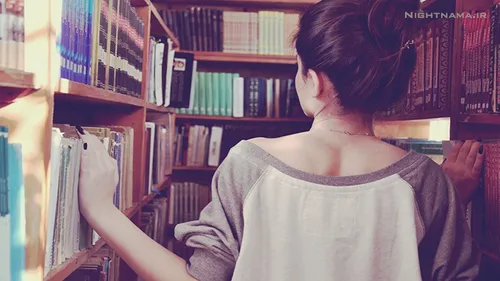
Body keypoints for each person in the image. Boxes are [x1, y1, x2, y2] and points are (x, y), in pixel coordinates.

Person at [77, 0, 484, 280]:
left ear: (314, 80)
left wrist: (101, 210)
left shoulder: (250, 163)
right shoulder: (425, 182)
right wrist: (450, 198)